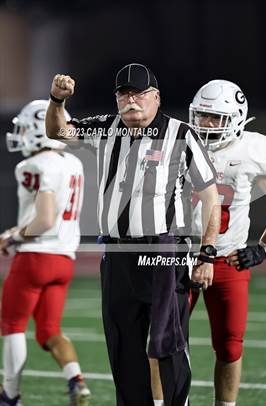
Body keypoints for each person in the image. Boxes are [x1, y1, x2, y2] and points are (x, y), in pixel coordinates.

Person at [45, 63, 221, 406]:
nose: (131, 101)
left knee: (167, 342)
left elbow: (211, 194)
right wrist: (56, 100)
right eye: (124, 94)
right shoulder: (106, 128)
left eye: (139, 93)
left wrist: (207, 252)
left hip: (163, 251)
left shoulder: (181, 134)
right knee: (123, 343)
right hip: (117, 253)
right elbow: (57, 132)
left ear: (155, 97)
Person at [189, 79, 266, 406]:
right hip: (182, 258)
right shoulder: (180, 144)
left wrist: (263, 248)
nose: (206, 125)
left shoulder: (253, 151)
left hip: (227, 259)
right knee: (163, 343)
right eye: (201, 116)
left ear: (237, 118)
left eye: (215, 118)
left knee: (230, 345)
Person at [0, 100, 91, 406]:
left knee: (13, 325)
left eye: (26, 128)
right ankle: (76, 379)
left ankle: (10, 394)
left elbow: (44, 221)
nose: (21, 134)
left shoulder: (31, 166)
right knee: (49, 330)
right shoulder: (74, 163)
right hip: (65, 259)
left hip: (35, 255)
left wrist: (13, 238)